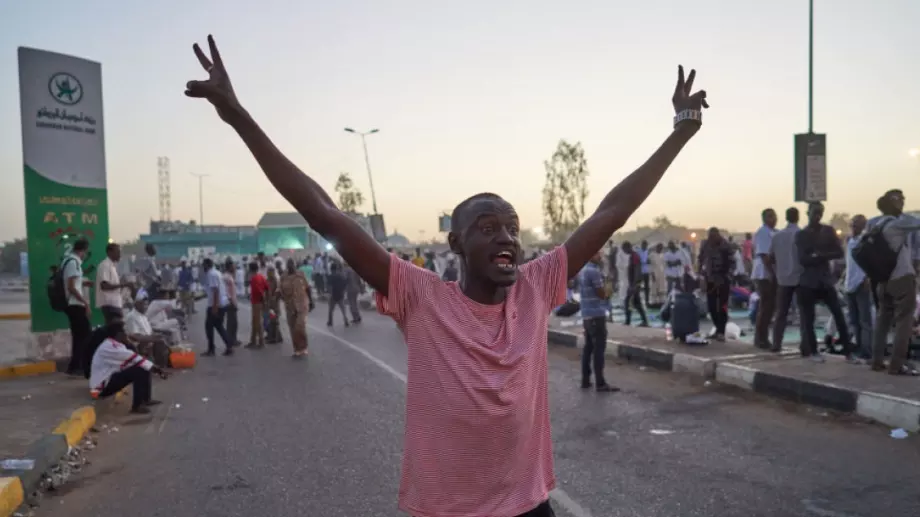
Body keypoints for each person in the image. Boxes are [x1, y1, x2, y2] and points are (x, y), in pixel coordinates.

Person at [185, 37, 708, 516]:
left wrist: (680, 132)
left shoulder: (536, 285)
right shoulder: (419, 294)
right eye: (486, 228)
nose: (505, 237)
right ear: (456, 244)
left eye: (511, 227)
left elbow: (608, 214)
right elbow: (326, 214)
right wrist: (238, 117)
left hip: (529, 505)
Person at [870, 190, 920, 375]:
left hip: (883, 280)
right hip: (901, 278)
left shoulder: (874, 224)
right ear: (894, 202)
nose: (904, 202)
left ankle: (876, 361)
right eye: (901, 199)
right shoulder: (897, 224)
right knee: (904, 322)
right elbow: (917, 223)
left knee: (882, 321)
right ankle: (896, 364)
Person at [795, 202, 852, 362]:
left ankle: (848, 351)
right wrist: (822, 256)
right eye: (815, 212)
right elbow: (803, 259)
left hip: (825, 280)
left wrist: (819, 255)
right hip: (808, 281)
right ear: (808, 213)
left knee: (839, 315)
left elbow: (839, 252)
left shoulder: (828, 231)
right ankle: (813, 351)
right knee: (808, 318)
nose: (817, 215)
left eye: (820, 212)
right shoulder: (802, 235)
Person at [90, 321, 169, 414]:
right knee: (139, 370)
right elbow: (133, 357)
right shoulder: (109, 347)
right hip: (100, 388)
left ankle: (146, 399)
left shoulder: (114, 344)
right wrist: (158, 370)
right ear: (119, 334)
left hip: (108, 379)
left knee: (142, 366)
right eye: (124, 332)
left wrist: (154, 368)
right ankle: (136, 406)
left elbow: (133, 359)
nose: (126, 334)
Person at [577, 252, 617, 392]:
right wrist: (609, 283)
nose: (601, 257)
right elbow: (602, 294)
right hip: (596, 315)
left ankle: (585, 380)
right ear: (592, 256)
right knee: (598, 349)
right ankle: (600, 383)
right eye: (598, 255)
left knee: (588, 348)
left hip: (586, 315)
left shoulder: (583, 270)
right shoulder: (593, 272)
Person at [769, 207, 803, 352]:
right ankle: (805, 344)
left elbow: (771, 258)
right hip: (800, 278)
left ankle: (777, 344)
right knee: (803, 313)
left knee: (781, 313)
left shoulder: (777, 236)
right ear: (798, 217)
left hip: (782, 278)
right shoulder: (802, 234)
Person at [63, 238, 93, 376]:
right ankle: (78, 366)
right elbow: (71, 286)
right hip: (75, 304)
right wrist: (85, 303)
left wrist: (87, 283)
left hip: (74, 304)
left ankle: (74, 366)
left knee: (79, 336)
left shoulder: (69, 261)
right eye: (85, 252)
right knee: (84, 335)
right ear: (83, 251)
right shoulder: (73, 263)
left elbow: (75, 283)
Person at [698, 227, 734, 341]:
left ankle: (721, 332)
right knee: (711, 306)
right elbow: (700, 259)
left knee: (722, 306)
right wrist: (701, 274)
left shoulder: (726, 246)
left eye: (713, 237)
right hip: (710, 279)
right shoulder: (705, 244)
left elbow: (732, 263)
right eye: (710, 237)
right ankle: (717, 328)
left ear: (718, 236)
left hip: (723, 280)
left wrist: (727, 277)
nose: (711, 239)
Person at [845, 214, 873, 360]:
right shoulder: (849, 241)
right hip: (849, 284)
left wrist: (868, 278)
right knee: (854, 320)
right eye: (853, 224)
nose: (854, 226)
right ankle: (859, 346)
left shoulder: (866, 241)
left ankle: (866, 350)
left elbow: (872, 262)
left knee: (864, 320)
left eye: (857, 224)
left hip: (861, 283)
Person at [752, 208, 778, 349]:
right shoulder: (763, 232)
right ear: (764, 219)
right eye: (770, 217)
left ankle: (762, 337)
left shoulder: (774, 232)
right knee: (766, 306)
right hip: (764, 273)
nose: (773, 219)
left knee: (770, 307)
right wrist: (773, 274)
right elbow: (764, 256)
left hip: (770, 272)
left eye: (774, 216)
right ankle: (761, 338)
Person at [280, 258, 314, 357]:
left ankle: (303, 347)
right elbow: (280, 290)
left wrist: (311, 301)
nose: (291, 267)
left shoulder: (300, 274)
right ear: (287, 266)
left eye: (293, 265)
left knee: (300, 326)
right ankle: (297, 348)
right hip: (290, 307)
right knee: (292, 328)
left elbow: (307, 288)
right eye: (289, 265)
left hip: (301, 305)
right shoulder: (283, 277)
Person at [202, 258, 234, 356]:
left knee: (209, 327)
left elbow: (216, 291)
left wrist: (215, 307)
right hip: (221, 303)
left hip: (216, 305)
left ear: (207, 265)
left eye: (203, 265)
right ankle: (229, 345)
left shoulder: (211, 274)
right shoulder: (217, 273)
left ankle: (211, 349)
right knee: (218, 326)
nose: (203, 267)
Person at [96, 243, 130, 324]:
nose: (120, 255)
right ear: (109, 252)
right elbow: (104, 286)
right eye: (118, 252)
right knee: (115, 328)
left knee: (114, 329)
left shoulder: (112, 266)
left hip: (114, 302)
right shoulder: (105, 265)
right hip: (109, 303)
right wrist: (124, 285)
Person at [621, 241, 649, 327]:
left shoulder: (634, 256)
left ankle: (628, 321)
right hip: (633, 283)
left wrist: (635, 284)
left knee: (628, 301)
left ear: (627, 248)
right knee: (636, 303)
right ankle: (643, 321)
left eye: (624, 249)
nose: (624, 252)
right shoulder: (632, 256)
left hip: (634, 284)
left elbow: (637, 270)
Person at [246, 262, 269, 349]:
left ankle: (260, 341)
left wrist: (263, 300)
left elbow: (259, 291)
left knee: (257, 322)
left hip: (256, 302)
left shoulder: (254, 279)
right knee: (255, 322)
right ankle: (253, 341)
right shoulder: (261, 277)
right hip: (259, 301)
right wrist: (265, 300)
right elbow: (266, 288)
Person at [326, 262, 349, 326]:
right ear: (336, 269)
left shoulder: (330, 277)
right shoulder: (341, 276)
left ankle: (330, 322)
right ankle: (346, 320)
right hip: (340, 294)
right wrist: (343, 292)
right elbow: (345, 284)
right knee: (343, 309)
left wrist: (330, 294)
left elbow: (329, 286)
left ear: (331, 269)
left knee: (331, 310)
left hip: (333, 295)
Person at [223, 259, 240, 346]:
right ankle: (230, 340)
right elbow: (226, 291)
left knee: (234, 322)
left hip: (233, 301)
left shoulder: (230, 276)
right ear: (229, 267)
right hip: (230, 302)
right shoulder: (226, 277)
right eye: (233, 266)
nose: (235, 267)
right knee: (231, 323)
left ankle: (233, 339)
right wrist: (231, 302)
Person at [265, 266, 283, 343]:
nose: (269, 273)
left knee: (274, 321)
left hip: (275, 304)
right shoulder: (267, 280)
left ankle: (274, 338)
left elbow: (279, 292)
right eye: (268, 272)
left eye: (271, 272)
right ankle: (277, 336)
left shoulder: (276, 281)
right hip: (269, 303)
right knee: (271, 321)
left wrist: (274, 297)